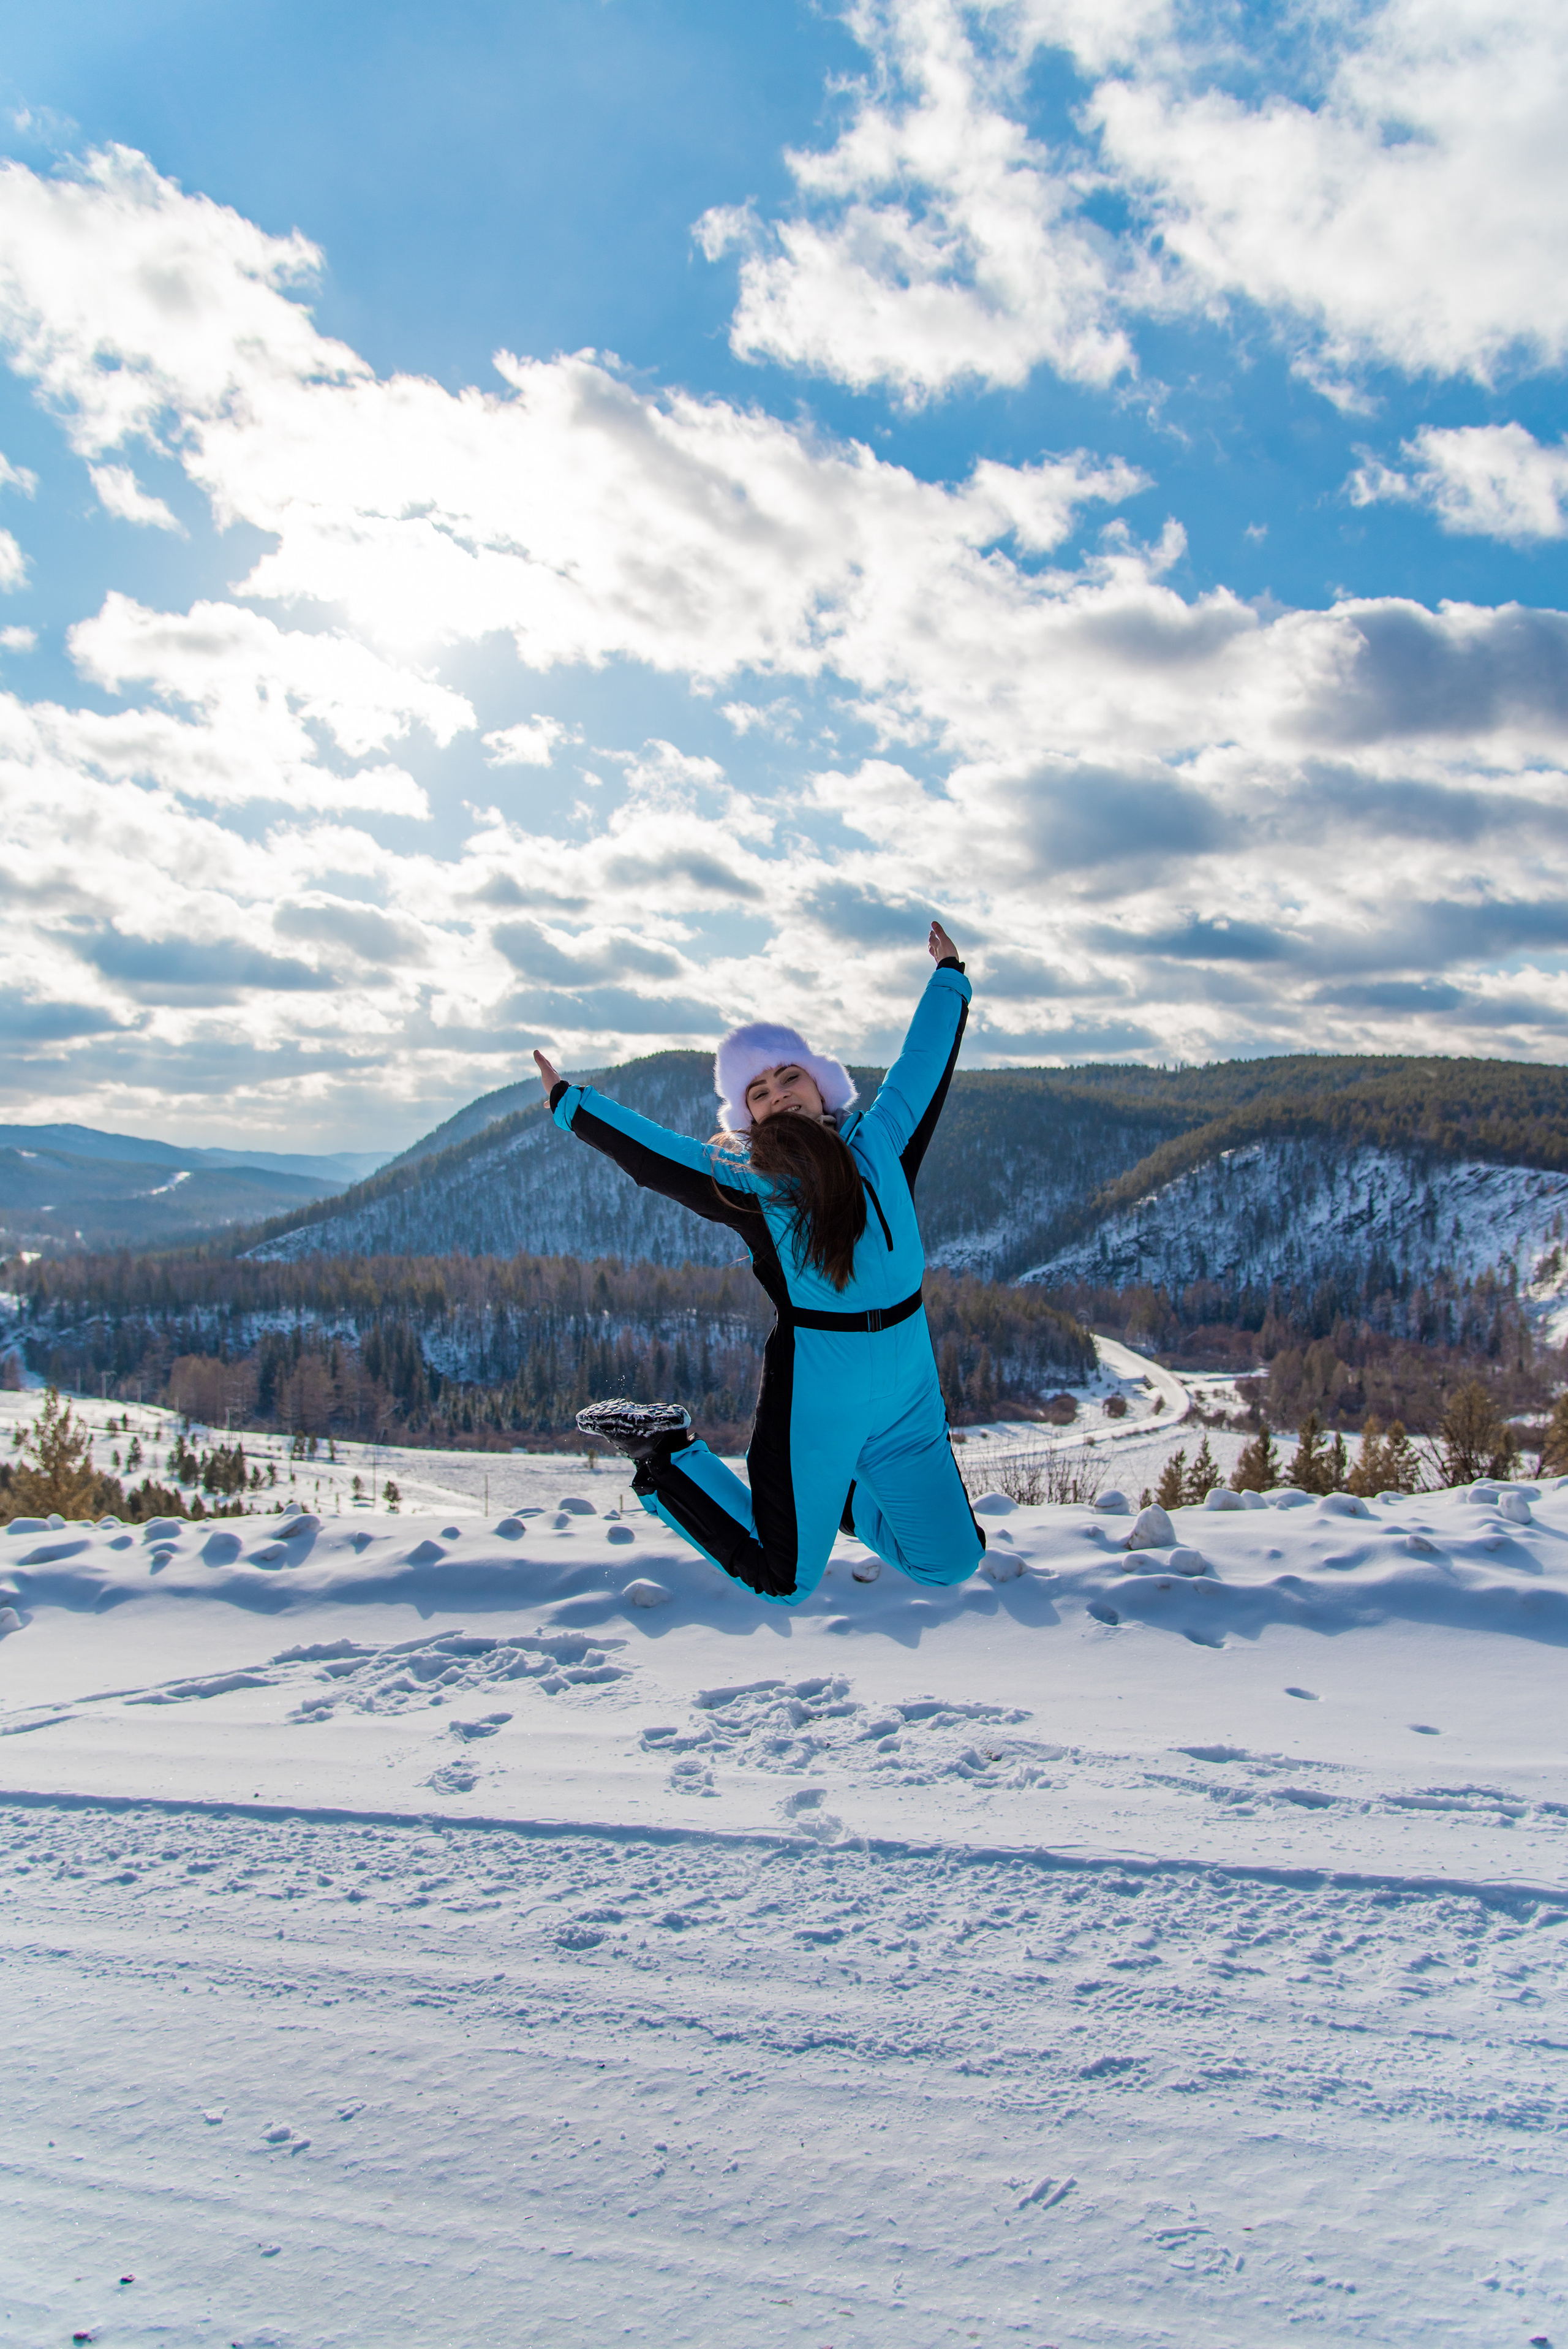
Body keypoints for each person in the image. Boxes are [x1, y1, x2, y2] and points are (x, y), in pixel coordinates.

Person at [532, 920, 984, 1606]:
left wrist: (949, 978)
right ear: (750, 1119)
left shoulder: (884, 1143)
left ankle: (840, 1498)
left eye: (789, 1077)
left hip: (908, 1393)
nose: (779, 1094)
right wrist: (572, 1105)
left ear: (822, 1088)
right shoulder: (754, 1187)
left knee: (950, 1561)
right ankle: (667, 1453)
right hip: (819, 1396)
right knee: (785, 1579)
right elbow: (657, 1157)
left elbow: (923, 1064)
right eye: (759, 1092)